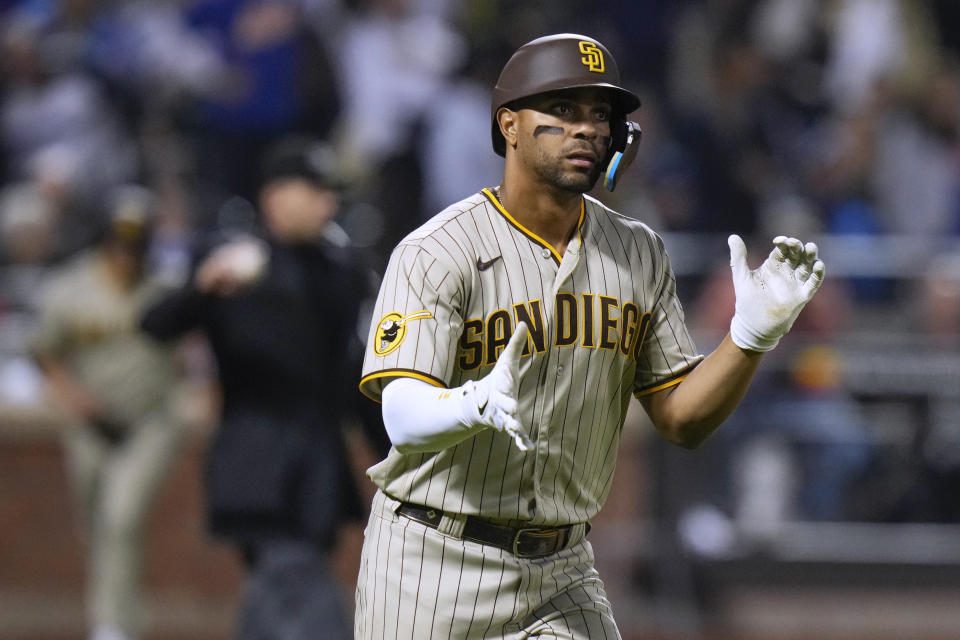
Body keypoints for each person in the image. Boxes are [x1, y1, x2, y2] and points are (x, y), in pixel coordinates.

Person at [354, 33, 825, 638]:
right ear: (510, 125)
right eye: (562, 110)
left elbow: (681, 418)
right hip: (433, 558)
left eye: (599, 115)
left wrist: (750, 337)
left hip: (562, 568)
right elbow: (399, 415)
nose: (586, 130)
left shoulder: (639, 253)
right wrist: (471, 403)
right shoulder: (439, 250)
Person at [141, 137, 382, 640]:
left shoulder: (341, 271)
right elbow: (156, 325)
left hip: (318, 462)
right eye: (313, 191)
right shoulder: (231, 261)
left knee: (277, 594)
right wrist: (203, 284)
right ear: (275, 196)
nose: (327, 204)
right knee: (295, 585)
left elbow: (354, 374)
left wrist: (389, 456)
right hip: (257, 458)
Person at [29, 186, 184, 640]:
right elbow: (44, 351)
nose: (126, 254)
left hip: (149, 422)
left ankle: (111, 628)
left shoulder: (163, 290)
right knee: (97, 527)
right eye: (118, 242)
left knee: (121, 516)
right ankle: (124, 617)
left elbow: (191, 351)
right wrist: (70, 395)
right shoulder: (69, 287)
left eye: (135, 245)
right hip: (89, 424)